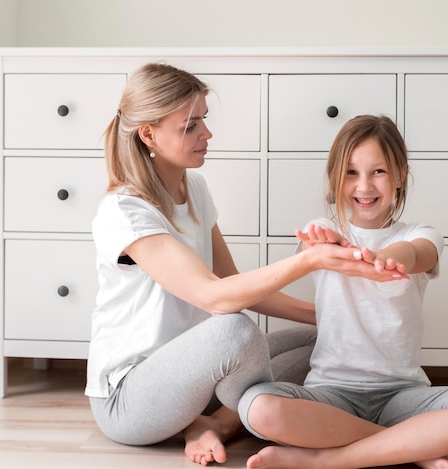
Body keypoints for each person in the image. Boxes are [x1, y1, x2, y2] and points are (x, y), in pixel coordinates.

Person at [84, 63, 379, 467]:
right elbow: (213, 296)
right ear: (149, 134)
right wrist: (311, 260)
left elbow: (233, 282)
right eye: (190, 126)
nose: (206, 133)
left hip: (194, 380)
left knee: (326, 341)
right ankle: (385, 440)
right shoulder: (125, 211)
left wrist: (333, 317)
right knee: (234, 330)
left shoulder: (195, 189)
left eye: (203, 120)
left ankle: (214, 424)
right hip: (129, 398)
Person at [237, 115, 448, 469]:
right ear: (336, 177)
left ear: (399, 174)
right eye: (351, 173)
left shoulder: (422, 233)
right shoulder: (322, 230)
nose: (364, 186)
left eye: (377, 172)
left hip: (403, 395)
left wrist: (386, 258)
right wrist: (330, 248)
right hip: (331, 393)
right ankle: (412, 447)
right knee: (257, 406)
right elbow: (314, 252)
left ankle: (325, 461)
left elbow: (417, 254)